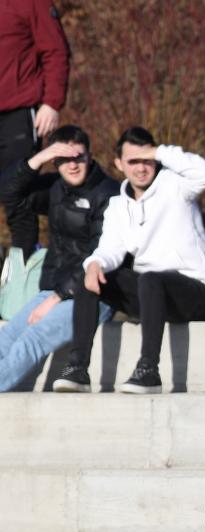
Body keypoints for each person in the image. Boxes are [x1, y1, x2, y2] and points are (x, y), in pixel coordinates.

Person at [51, 127, 205, 394]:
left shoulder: (176, 186)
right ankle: (77, 368)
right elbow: (110, 249)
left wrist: (158, 151)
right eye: (133, 161)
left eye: (146, 160)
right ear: (119, 164)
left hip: (197, 291)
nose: (141, 168)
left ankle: (148, 370)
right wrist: (94, 264)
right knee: (90, 275)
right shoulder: (118, 205)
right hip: (152, 294)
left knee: (150, 278)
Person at [0, 125, 117, 391]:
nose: (72, 165)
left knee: (33, 339)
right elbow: (7, 192)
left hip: (94, 295)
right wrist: (38, 159)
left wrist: (56, 298)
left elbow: (102, 255)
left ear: (89, 156)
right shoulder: (56, 188)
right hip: (54, 289)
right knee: (6, 338)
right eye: (63, 159)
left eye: (78, 157)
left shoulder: (109, 194)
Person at [0, 0, 70, 258]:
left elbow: (56, 50)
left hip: (18, 112)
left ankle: (23, 268)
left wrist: (52, 103)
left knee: (18, 193)